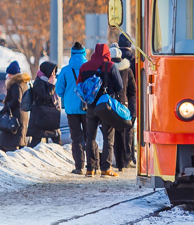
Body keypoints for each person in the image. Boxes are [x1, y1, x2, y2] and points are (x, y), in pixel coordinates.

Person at [78, 42, 125, 177]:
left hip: (91, 105)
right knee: (108, 137)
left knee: (90, 137)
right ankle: (106, 168)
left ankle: (90, 169)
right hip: (106, 106)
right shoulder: (111, 66)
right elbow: (120, 86)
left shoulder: (85, 66)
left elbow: (79, 84)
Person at [55, 42, 93, 174]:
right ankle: (92, 166)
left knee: (76, 138)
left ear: (72, 53)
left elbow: (59, 90)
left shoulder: (65, 70)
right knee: (90, 136)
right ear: (84, 53)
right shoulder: (89, 68)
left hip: (71, 108)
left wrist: (68, 95)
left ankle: (79, 167)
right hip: (87, 106)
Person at [111, 33, 139, 170]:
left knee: (118, 132)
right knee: (129, 131)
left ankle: (120, 160)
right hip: (130, 103)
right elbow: (133, 88)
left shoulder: (112, 62)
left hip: (114, 103)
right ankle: (129, 157)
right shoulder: (134, 60)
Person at [26, 61, 63, 147]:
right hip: (41, 117)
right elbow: (46, 96)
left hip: (49, 116)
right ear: (47, 71)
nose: (54, 74)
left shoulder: (47, 81)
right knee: (35, 142)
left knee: (57, 141)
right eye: (52, 72)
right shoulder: (39, 82)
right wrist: (51, 85)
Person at [0, 60, 29, 152]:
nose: (7, 77)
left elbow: (17, 100)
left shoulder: (15, 85)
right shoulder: (23, 84)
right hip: (22, 115)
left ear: (12, 75)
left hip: (16, 117)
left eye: (8, 74)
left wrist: (7, 107)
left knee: (13, 144)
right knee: (19, 143)